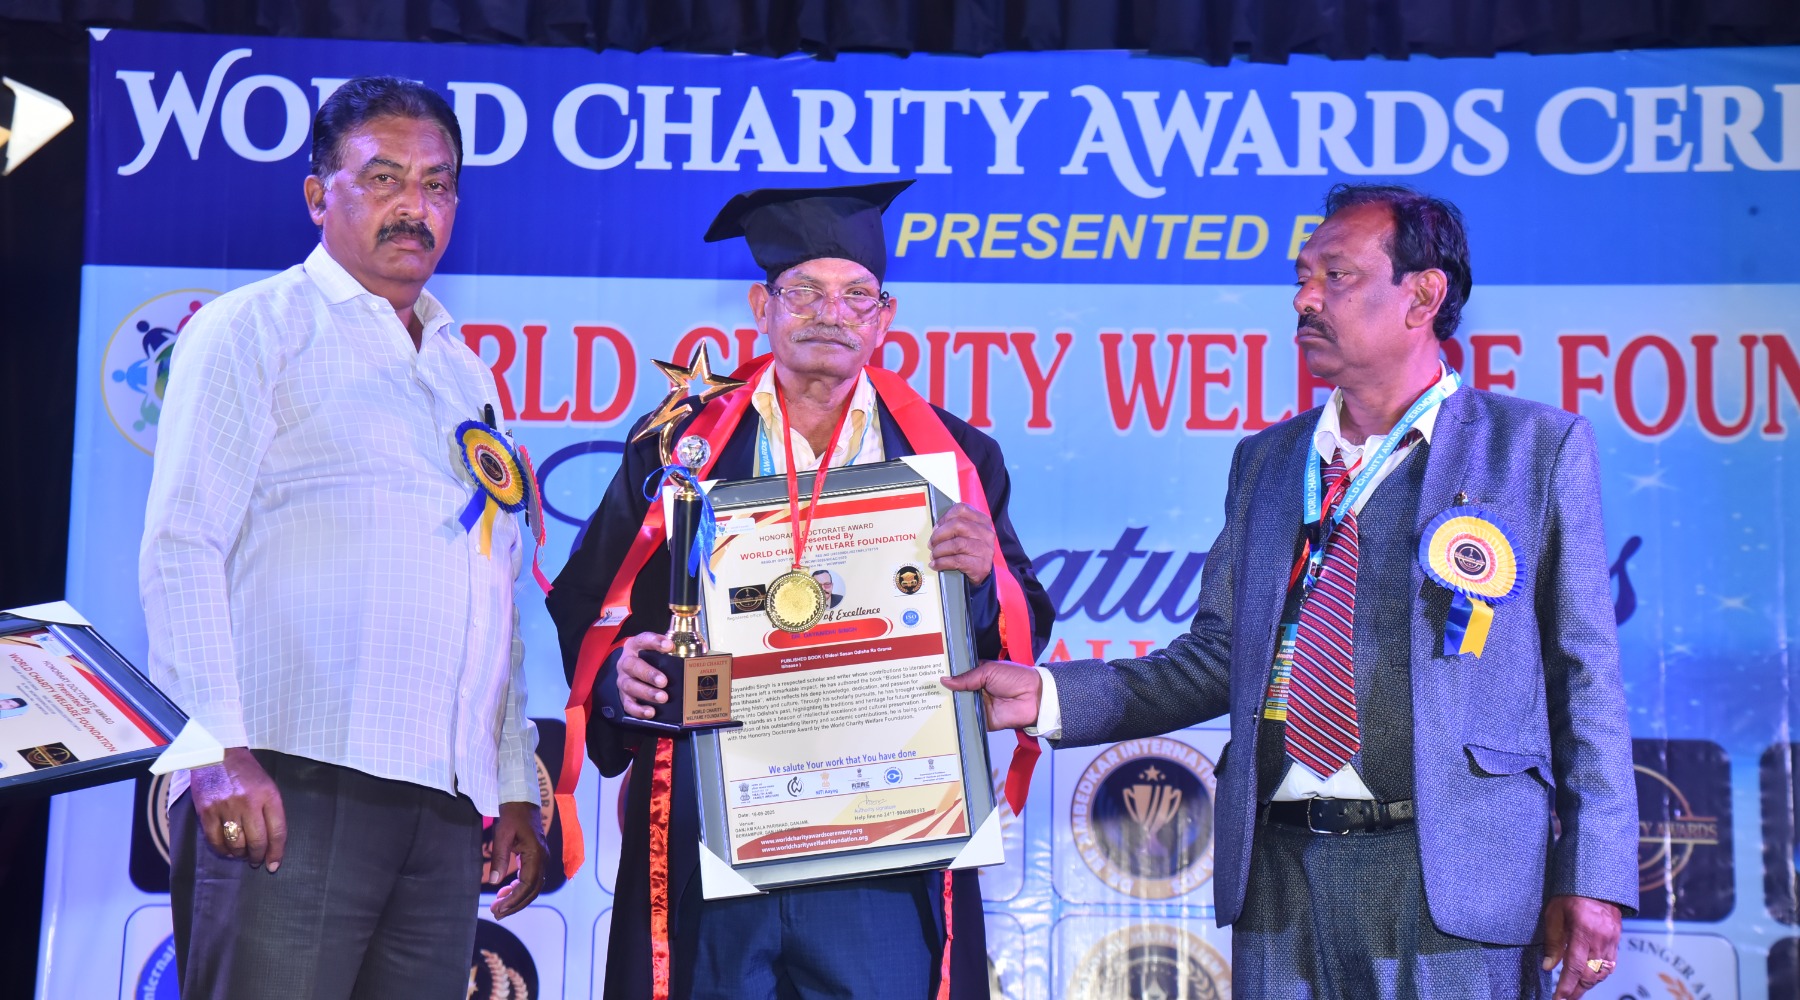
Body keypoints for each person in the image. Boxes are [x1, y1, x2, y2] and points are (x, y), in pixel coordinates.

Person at [946, 184, 1638, 1000]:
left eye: (1336, 276)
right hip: (1280, 874)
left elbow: (1584, 679)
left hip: (1453, 878)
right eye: (1302, 278)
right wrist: (1050, 696)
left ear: (1423, 296)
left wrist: (1594, 876)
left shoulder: (1533, 449)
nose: (1306, 299)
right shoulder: (1269, 461)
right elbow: (1217, 657)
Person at [547, 181, 1054, 1000]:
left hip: (883, 840)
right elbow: (589, 602)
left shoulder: (955, 460)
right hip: (716, 827)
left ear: (884, 319)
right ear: (762, 306)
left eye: (855, 296)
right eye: (805, 292)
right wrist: (617, 677)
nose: (831, 314)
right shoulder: (678, 447)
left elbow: (1019, 630)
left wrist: (983, 575)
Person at [140, 76, 548, 1000]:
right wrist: (213, 747)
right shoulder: (254, 327)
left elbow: (494, 584)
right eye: (384, 178)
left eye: (437, 184)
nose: (415, 206)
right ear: (318, 194)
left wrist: (514, 781)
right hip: (291, 775)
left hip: (446, 805)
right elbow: (181, 544)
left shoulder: (466, 372)